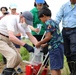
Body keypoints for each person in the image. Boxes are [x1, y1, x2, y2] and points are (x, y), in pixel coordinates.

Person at [0, 11, 38, 75]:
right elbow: (11, 37)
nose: (27, 24)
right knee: (12, 55)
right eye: (27, 22)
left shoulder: (24, 24)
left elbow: (30, 36)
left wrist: (38, 45)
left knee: (18, 59)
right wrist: (26, 45)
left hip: (8, 40)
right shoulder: (12, 19)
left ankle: (6, 72)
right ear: (22, 17)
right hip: (1, 38)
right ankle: (7, 72)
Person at [36, 6, 64, 75]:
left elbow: (48, 37)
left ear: (44, 16)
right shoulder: (54, 22)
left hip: (54, 48)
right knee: (57, 67)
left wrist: (39, 43)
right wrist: (46, 44)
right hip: (60, 46)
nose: (41, 20)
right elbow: (54, 36)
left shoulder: (47, 23)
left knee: (53, 68)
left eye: (41, 18)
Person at [55, 0, 76, 75]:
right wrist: (53, 26)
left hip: (74, 31)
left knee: (74, 51)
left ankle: (75, 72)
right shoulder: (64, 6)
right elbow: (58, 17)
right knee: (67, 52)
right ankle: (72, 71)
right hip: (65, 31)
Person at [30, 0, 49, 68]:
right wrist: (34, 29)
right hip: (35, 34)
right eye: (38, 4)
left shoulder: (46, 10)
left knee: (45, 50)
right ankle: (36, 66)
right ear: (35, 3)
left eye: (41, 4)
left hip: (45, 33)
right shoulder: (32, 11)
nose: (40, 5)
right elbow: (29, 24)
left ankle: (45, 66)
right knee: (37, 50)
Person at [9, 4, 23, 73]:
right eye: (12, 9)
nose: (14, 10)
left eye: (14, 9)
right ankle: (10, 67)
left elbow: (21, 25)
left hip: (17, 35)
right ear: (10, 9)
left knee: (17, 51)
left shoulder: (19, 15)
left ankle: (19, 67)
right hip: (10, 35)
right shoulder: (8, 16)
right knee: (10, 51)